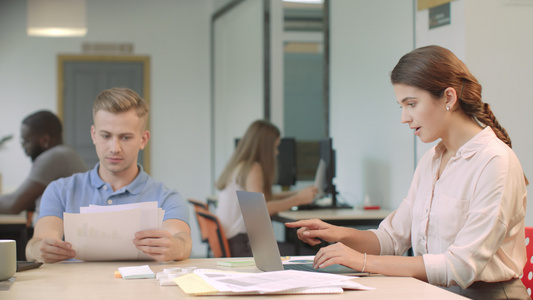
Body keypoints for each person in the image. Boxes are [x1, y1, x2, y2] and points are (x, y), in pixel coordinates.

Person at [286, 45, 529, 299]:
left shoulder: (495, 162)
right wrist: (336, 232)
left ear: (448, 97)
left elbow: (460, 267)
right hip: (432, 291)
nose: (404, 117)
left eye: (411, 104)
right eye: (401, 106)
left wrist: (363, 262)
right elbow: (391, 239)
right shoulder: (431, 160)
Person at [25, 87, 192, 263]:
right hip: (76, 289)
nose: (114, 148)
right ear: (93, 135)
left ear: (143, 140)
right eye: (106, 136)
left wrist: (177, 247)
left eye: (125, 137)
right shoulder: (60, 190)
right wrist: (40, 250)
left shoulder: (167, 198)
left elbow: (183, 241)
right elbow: (35, 245)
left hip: (143, 289)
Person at [215, 120, 318, 257]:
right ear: (264, 148)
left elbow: (260, 197)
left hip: (232, 242)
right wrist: (298, 199)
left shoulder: (240, 166)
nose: (276, 152)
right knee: (312, 255)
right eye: (274, 147)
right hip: (242, 247)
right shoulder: (253, 169)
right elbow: (262, 209)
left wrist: (296, 194)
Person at [0, 110, 87, 225]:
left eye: (26, 141)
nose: (23, 147)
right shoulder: (66, 152)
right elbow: (28, 200)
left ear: (45, 140)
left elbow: (13, 205)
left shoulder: (55, 156)